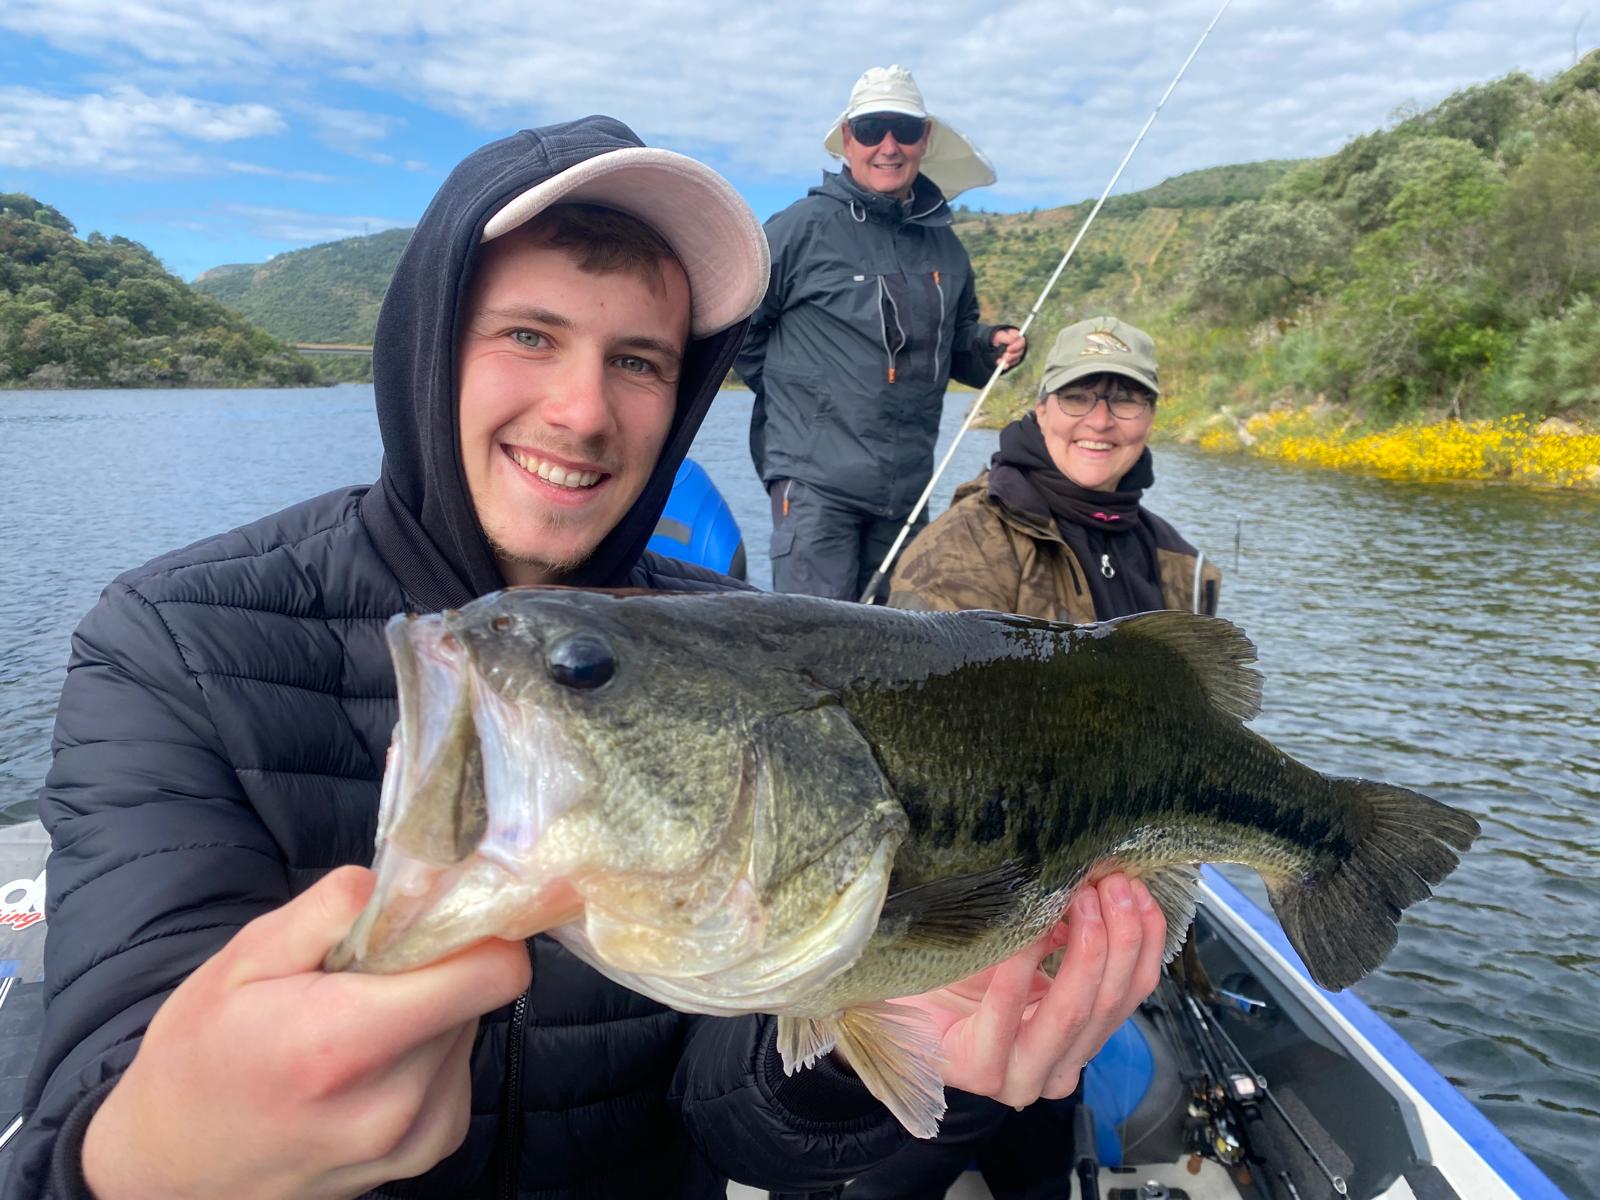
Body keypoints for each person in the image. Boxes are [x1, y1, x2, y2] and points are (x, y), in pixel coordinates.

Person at [7, 121, 1165, 1200]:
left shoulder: (745, 654)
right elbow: (99, 1071)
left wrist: (893, 1047)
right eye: (529, 335)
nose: (582, 411)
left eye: (641, 361)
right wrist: (156, 1152)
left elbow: (728, 1106)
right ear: (426, 343)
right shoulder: (173, 638)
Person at [869, 316, 1220, 1200]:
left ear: (1151, 414)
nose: (1101, 419)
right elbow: (926, 745)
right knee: (912, 1158)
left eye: (1126, 398)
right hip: (973, 937)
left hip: (1095, 927)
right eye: (1080, 394)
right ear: (1040, 403)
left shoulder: (1177, 559)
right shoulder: (966, 541)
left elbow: (1200, 727)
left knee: (1041, 1157)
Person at [736, 65, 1027, 601]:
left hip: (907, 494)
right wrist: (802, 397)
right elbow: (737, 329)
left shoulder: (947, 249)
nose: (888, 146)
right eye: (871, 130)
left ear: (925, 138)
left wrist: (989, 347)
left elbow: (956, 345)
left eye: (904, 130)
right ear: (849, 140)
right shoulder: (799, 228)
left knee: (897, 639)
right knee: (816, 636)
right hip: (815, 487)